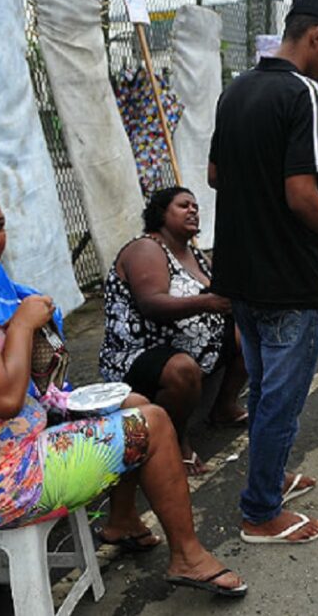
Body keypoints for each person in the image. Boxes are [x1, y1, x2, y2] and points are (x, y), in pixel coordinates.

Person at [0, 170, 246, 597]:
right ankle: (187, 556)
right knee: (155, 424)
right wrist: (20, 325)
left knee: (130, 401)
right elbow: (1, 398)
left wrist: (20, 338)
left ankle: (122, 521)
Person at [208, 0, 318, 545]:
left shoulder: (235, 90)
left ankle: (271, 478)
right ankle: (260, 513)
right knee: (282, 400)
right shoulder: (305, 93)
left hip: (241, 273)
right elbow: (302, 196)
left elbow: (216, 175)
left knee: (264, 390)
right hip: (287, 278)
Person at [99, 186, 249, 476]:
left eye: (195, 205)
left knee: (251, 336)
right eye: (183, 205)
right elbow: (151, 303)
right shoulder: (146, 248)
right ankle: (176, 442)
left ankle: (223, 407)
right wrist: (208, 302)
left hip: (189, 346)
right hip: (139, 353)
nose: (193, 210)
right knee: (182, 368)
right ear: (161, 213)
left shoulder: (192, 251)